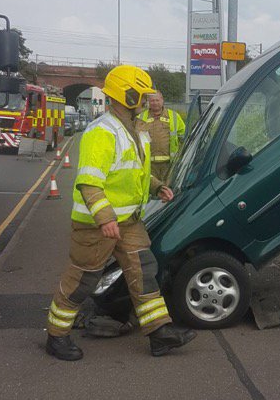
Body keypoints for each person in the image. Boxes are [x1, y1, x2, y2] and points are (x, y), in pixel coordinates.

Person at [44, 65, 196, 361]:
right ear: (127, 95)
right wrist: (105, 218)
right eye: (141, 95)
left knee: (145, 271)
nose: (145, 100)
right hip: (96, 225)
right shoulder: (101, 132)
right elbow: (89, 183)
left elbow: (133, 170)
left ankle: (159, 333)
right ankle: (56, 336)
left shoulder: (134, 130)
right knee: (82, 280)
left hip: (128, 222)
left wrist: (155, 186)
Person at [137, 91, 185, 184]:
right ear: (148, 102)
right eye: (152, 101)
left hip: (169, 165)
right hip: (149, 165)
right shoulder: (140, 117)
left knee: (168, 191)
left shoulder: (174, 116)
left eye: (157, 100)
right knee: (149, 190)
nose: (155, 103)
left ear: (162, 100)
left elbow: (183, 137)